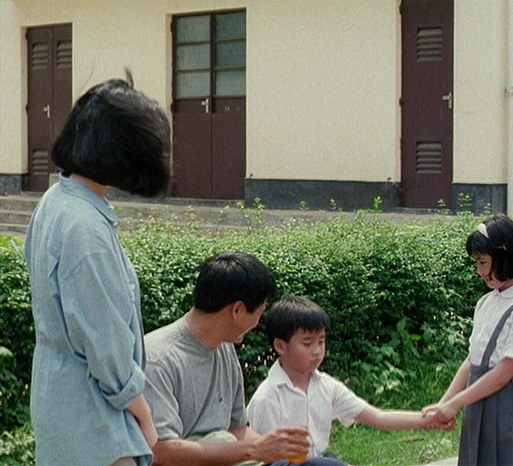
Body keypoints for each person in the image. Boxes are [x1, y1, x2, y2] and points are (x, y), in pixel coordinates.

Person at [24, 77, 169, 465]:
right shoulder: (85, 228)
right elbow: (106, 347)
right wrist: (143, 412)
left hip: (59, 406)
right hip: (95, 426)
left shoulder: (56, 201)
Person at [143, 252, 309, 466]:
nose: (257, 323)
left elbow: (237, 430)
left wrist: (278, 448)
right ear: (238, 310)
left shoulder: (224, 346)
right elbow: (161, 451)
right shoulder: (158, 360)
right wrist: (254, 450)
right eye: (259, 313)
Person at [247, 296, 442, 465]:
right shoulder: (267, 397)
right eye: (307, 343)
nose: (317, 351)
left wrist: (429, 419)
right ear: (281, 346)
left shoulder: (326, 386)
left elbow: (378, 417)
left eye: (321, 341)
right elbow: (265, 457)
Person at [421, 214, 513, 466]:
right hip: (477, 400)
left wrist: (456, 403)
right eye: (476, 263)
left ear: (505, 258)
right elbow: (472, 361)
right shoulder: (487, 302)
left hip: (508, 404)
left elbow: (504, 371)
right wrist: (444, 405)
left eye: (483, 262)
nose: (480, 271)